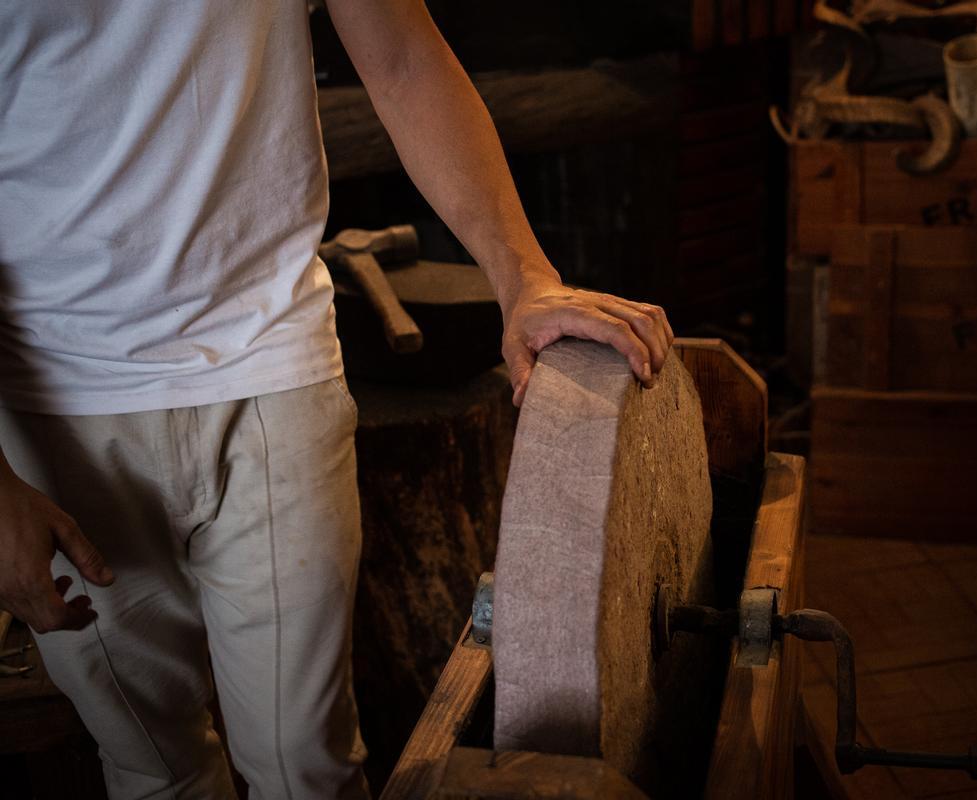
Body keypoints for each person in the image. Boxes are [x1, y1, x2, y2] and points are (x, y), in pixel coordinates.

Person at [0, 2, 673, 798]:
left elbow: (403, 60)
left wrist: (524, 277)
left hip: (271, 358)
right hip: (51, 396)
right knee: (155, 769)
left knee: (307, 769)